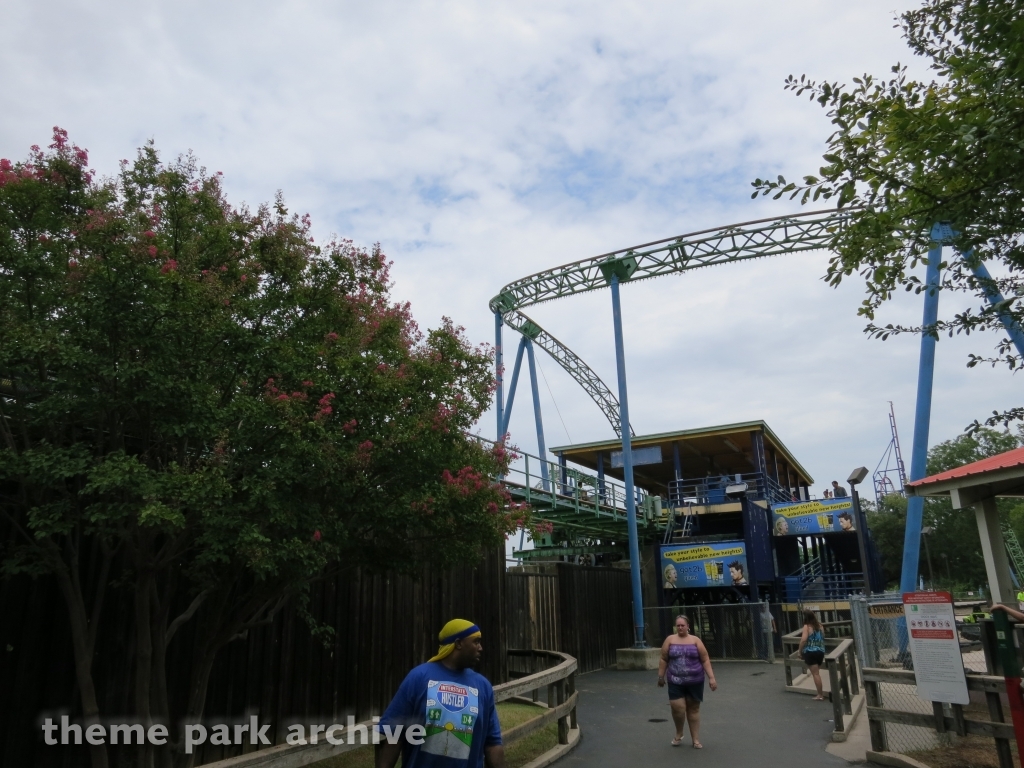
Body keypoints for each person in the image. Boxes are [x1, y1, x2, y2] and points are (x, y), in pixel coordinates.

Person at [376, 619, 505, 768]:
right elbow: (393, 732)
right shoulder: (418, 678)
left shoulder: (483, 686)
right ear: (458, 643)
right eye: (476, 642)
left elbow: (493, 742)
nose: (480, 648)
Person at [657, 615, 718, 749]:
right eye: (678, 625)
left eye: (682, 625)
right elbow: (664, 658)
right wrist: (661, 677)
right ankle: (679, 733)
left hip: (695, 681)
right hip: (675, 681)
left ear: (688, 626)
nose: (680, 628)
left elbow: (705, 659)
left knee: (693, 709)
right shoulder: (670, 640)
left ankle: (695, 739)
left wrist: (711, 678)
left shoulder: (695, 640)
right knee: (677, 708)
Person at [798, 610, 827, 701]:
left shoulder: (807, 627)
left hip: (810, 651)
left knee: (815, 674)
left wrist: (799, 651)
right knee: (817, 673)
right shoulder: (820, 626)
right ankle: (820, 693)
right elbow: (823, 636)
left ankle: (820, 695)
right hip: (820, 651)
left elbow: (803, 640)